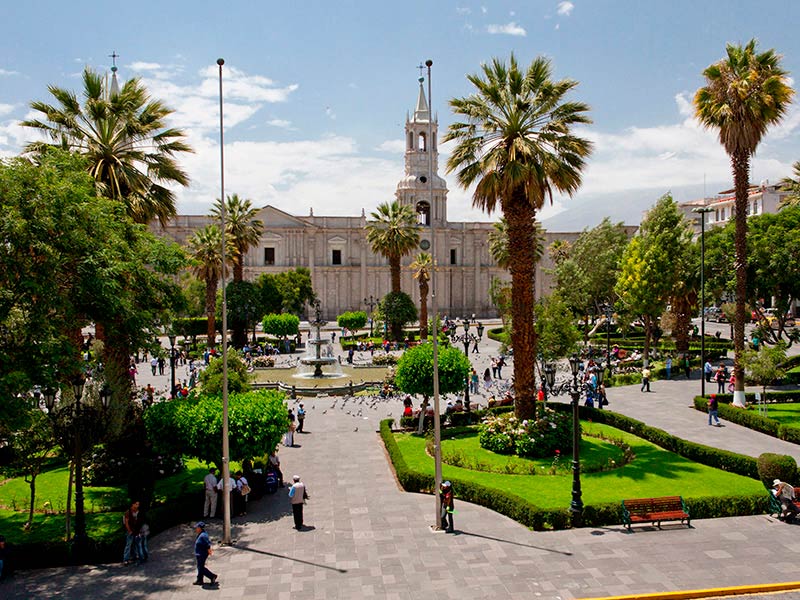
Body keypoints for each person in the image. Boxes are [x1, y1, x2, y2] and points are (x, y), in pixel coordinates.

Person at [193, 522, 218, 586]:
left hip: (202, 554)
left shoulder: (203, 536)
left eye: (197, 527)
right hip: (199, 554)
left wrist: (209, 551)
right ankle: (199, 580)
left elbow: (207, 544)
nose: (196, 529)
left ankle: (212, 576)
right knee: (199, 567)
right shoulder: (201, 534)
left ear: (200, 528)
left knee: (201, 568)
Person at [123, 500, 143, 565]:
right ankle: (125, 559)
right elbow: (126, 523)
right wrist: (129, 531)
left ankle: (135, 556)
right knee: (128, 545)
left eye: (138, 504)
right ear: (133, 504)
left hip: (136, 530)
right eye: (136, 504)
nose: (138, 505)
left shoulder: (138, 511)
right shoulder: (128, 512)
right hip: (130, 531)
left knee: (135, 544)